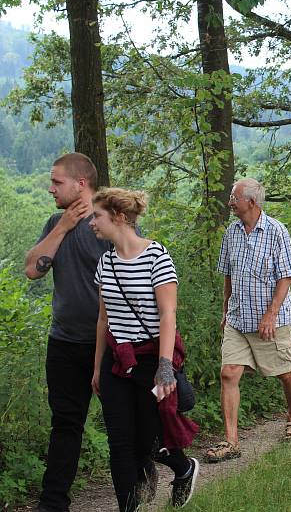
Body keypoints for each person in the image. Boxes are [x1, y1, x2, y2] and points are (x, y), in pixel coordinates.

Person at [90, 188, 199, 511]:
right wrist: (97, 367)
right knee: (119, 443)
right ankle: (128, 507)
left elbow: (168, 315)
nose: (91, 224)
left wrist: (165, 366)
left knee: (149, 441)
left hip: (151, 358)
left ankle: (183, 469)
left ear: (119, 218)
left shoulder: (156, 257)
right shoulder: (105, 263)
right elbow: (103, 319)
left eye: (97, 216)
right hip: (117, 361)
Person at [24, 153, 112, 512]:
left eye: (56, 182)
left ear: (81, 184)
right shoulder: (53, 222)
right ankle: (53, 502)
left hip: (109, 342)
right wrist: (61, 227)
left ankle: (171, 465)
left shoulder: (110, 221)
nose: (50, 188)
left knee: (127, 419)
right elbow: (32, 269)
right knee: (65, 423)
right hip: (63, 341)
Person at [206, 178, 291, 462]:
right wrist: (225, 310)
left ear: (251, 201)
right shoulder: (231, 232)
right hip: (238, 319)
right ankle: (231, 441)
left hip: (270, 320)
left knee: (284, 372)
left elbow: (287, 275)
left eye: (234, 197)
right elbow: (227, 273)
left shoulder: (276, 231)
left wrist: (271, 313)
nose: (230, 201)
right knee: (229, 373)